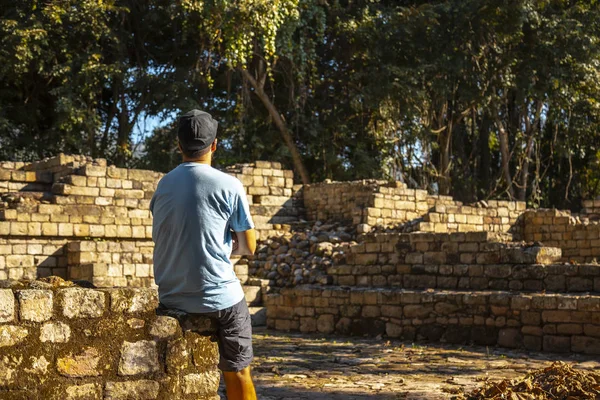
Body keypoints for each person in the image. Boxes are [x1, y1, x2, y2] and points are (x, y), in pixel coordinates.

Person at [150, 109, 258, 400]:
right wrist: (227, 246)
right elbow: (250, 247)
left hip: (172, 295)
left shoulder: (163, 186)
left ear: (178, 145)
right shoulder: (229, 185)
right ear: (214, 145)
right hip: (220, 298)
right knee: (238, 371)